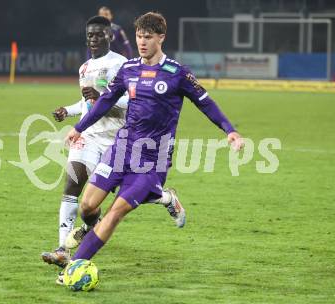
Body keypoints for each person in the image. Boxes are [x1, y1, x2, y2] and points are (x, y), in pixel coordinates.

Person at [62, 12, 244, 283]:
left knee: (115, 212)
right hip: (122, 148)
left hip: (152, 158)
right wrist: (79, 127)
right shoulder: (129, 69)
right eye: (139, 36)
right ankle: (164, 198)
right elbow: (104, 102)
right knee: (88, 206)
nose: (142, 42)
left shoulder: (177, 73)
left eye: (148, 37)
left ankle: (74, 267)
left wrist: (230, 130)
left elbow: (205, 101)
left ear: (161, 37)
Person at [41, 16, 185, 272]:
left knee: (127, 196)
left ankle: (165, 197)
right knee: (74, 188)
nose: (93, 39)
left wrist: (100, 98)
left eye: (99, 35)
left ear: (110, 36)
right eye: (90, 35)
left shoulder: (123, 64)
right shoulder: (84, 68)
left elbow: (134, 104)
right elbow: (89, 105)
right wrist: (71, 112)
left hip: (120, 141)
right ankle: (63, 248)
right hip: (91, 138)